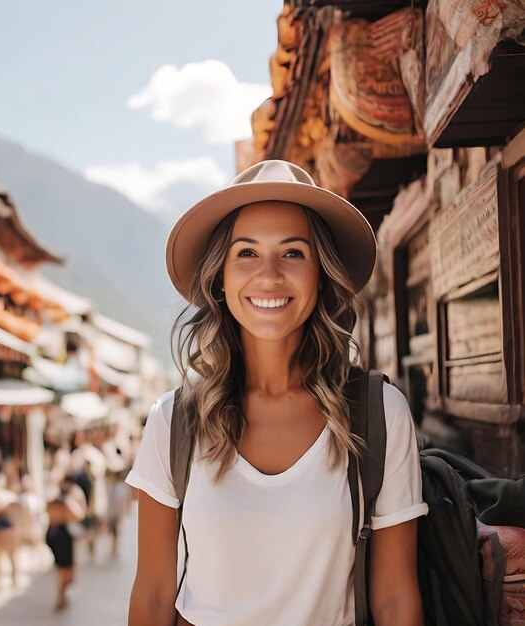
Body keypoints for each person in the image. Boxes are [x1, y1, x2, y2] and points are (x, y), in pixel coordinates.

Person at [126, 160, 429, 626]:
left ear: (321, 275)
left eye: (292, 253)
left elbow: (394, 599)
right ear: (220, 279)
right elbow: (151, 596)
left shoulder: (379, 414)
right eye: (246, 253)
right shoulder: (174, 421)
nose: (269, 275)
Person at [45, 475, 86, 611]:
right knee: (65, 570)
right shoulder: (67, 502)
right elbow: (79, 515)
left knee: (62, 569)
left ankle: (61, 596)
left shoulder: (52, 503)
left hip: (53, 535)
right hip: (63, 537)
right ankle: (60, 596)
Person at [0, 470, 21, 592]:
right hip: (9, 526)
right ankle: (13, 579)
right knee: (10, 555)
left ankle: (0, 582)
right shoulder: (9, 495)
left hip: (3, 526)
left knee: (1, 555)